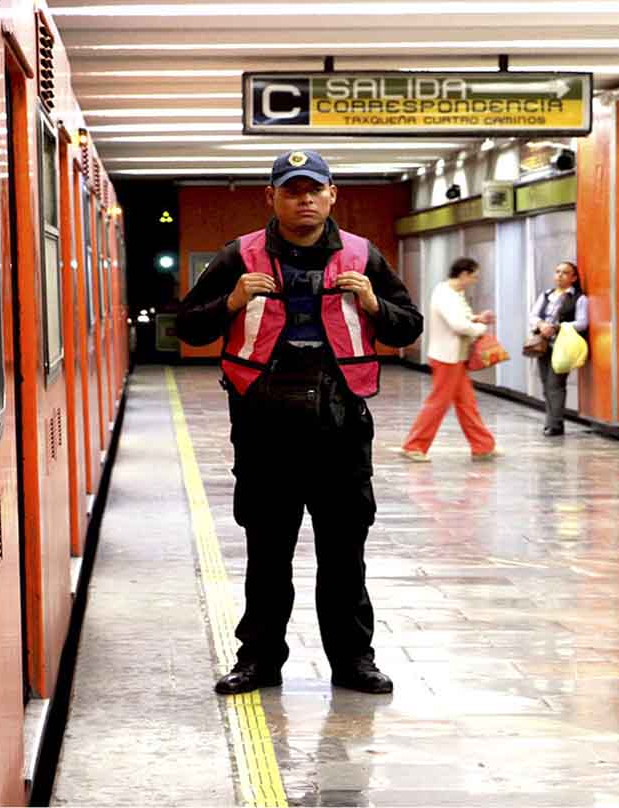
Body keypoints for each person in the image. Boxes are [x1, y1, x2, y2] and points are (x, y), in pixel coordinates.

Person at [176, 150, 422, 696]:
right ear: (272, 198)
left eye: (314, 189)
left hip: (340, 431)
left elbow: (409, 328)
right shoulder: (239, 256)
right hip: (265, 432)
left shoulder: (362, 255)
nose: (304, 199)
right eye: (292, 190)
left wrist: (375, 303)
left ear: (332, 194)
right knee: (267, 555)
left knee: (343, 555)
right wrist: (233, 300)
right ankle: (258, 662)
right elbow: (189, 328)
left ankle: (354, 660)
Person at [399, 257, 497, 461]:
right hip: (447, 358)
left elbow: (461, 319)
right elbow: (458, 325)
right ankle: (414, 445)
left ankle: (483, 446)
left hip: (455, 357)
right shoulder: (446, 295)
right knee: (438, 403)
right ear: (464, 274)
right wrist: (481, 328)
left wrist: (476, 319)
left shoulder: (452, 293)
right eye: (474, 276)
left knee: (467, 403)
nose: (475, 281)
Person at [528, 261, 589, 436]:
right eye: (557, 272)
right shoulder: (546, 295)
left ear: (574, 277)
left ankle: (554, 424)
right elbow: (533, 315)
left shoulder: (579, 298)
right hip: (543, 344)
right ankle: (552, 420)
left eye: (565, 272)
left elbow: (583, 323)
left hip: (563, 346)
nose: (560, 275)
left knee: (555, 384)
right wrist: (541, 324)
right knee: (546, 383)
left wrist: (557, 327)